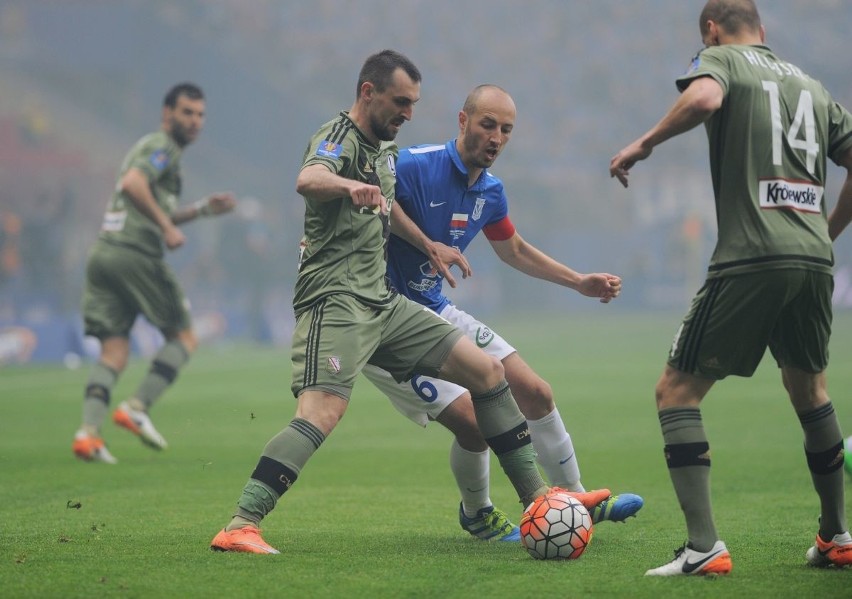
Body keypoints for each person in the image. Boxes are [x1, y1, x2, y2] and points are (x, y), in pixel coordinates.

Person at [210, 50, 566, 555]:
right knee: (321, 413)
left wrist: (428, 244)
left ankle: (540, 503)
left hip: (383, 301)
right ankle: (242, 522)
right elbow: (308, 178)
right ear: (368, 92)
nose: (408, 114)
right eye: (400, 102)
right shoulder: (338, 137)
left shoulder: (382, 149)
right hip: (335, 302)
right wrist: (349, 183)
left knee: (488, 374)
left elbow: (386, 207)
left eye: (414, 104)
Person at [609, 0, 852, 576]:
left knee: (676, 392)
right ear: (763, 32)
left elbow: (704, 97)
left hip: (751, 257)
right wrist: (826, 231)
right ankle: (837, 534)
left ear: (712, 31)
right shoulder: (813, 88)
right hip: (814, 262)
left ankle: (703, 547)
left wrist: (645, 142)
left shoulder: (721, 60)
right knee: (810, 390)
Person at [360, 83, 643, 542]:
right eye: (488, 124)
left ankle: (576, 499)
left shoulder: (490, 192)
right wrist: (424, 243)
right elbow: (372, 196)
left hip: (436, 308)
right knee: (476, 422)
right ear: (462, 121)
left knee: (536, 392)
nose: (495, 137)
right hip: (387, 322)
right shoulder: (415, 164)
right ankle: (478, 513)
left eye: (506, 130)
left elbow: (512, 248)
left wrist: (578, 282)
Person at [72, 83, 236, 464]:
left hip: (106, 253)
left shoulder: (159, 152)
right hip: (135, 254)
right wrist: (165, 227)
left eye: (200, 114)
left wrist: (200, 210)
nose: (195, 121)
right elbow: (133, 185)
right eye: (187, 113)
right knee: (184, 336)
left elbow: (144, 200)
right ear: (167, 115)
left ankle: (88, 434)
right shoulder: (162, 147)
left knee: (114, 349)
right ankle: (137, 406)